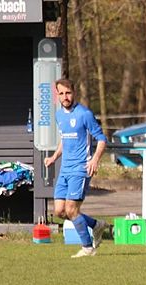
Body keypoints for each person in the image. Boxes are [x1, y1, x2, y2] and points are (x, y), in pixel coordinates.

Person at [44, 78, 109, 258]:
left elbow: (102, 139)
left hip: (81, 168)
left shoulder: (84, 114)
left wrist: (95, 160)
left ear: (74, 93)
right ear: (57, 95)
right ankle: (96, 225)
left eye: (68, 93)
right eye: (61, 93)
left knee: (72, 210)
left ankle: (88, 247)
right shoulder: (59, 115)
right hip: (65, 169)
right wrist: (54, 157)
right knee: (59, 211)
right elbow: (65, 139)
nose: (65, 97)